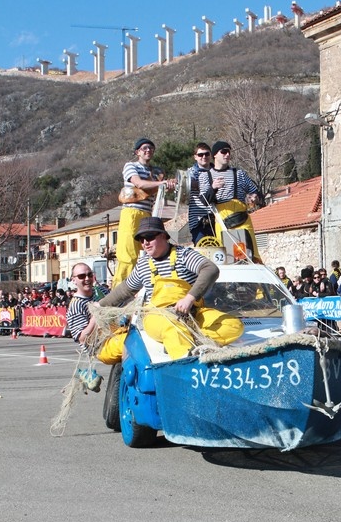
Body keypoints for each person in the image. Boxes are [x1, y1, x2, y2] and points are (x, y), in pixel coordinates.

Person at [98, 217, 244, 361]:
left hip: (192, 315)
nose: (145, 243)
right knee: (173, 328)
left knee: (233, 326)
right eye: (141, 240)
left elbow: (210, 269)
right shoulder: (142, 265)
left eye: (149, 237)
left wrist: (189, 298)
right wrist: (99, 305)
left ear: (163, 236)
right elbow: (125, 290)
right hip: (157, 317)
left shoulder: (184, 255)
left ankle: (191, 342)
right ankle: (186, 363)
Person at [112, 138, 173, 287]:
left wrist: (169, 184)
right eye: (145, 148)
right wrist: (162, 183)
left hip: (148, 214)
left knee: (150, 253)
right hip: (132, 213)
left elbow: (160, 188)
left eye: (151, 148)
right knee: (128, 256)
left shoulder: (157, 172)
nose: (148, 150)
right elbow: (139, 183)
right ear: (137, 152)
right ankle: (119, 293)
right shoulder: (130, 166)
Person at [205, 141, 263, 261]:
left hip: (243, 221)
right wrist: (213, 188)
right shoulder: (206, 176)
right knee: (228, 259)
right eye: (224, 152)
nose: (227, 155)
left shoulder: (239, 173)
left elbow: (256, 192)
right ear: (215, 154)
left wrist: (255, 197)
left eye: (229, 152)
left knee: (251, 256)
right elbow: (204, 201)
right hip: (222, 222)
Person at [66, 264, 106, 391]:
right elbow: (83, 338)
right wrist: (95, 315)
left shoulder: (101, 291)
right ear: (74, 280)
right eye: (82, 276)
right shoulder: (76, 306)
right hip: (99, 347)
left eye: (89, 274)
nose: (87, 278)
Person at [187, 142, 214, 244]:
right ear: (195, 157)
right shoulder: (190, 173)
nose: (204, 157)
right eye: (200, 155)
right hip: (198, 221)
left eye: (207, 154)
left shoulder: (217, 171)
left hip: (217, 219)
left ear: (210, 155)